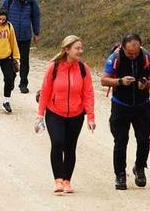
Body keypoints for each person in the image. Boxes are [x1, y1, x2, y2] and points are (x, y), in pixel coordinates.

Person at [35, 35, 96, 194]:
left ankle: (67, 181)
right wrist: (40, 115)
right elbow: (45, 91)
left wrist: (91, 116)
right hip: (55, 112)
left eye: (81, 48)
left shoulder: (83, 69)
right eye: (77, 48)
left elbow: (88, 93)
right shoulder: (53, 67)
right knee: (57, 142)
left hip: (76, 114)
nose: (80, 51)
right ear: (67, 49)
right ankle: (58, 180)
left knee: (70, 147)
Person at [100, 33, 150, 190]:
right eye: (129, 53)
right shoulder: (115, 57)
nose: (133, 56)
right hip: (121, 105)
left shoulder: (147, 56)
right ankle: (120, 174)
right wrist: (120, 81)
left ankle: (139, 168)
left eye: (136, 52)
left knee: (144, 140)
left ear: (140, 46)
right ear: (123, 47)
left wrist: (147, 84)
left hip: (142, 105)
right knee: (120, 141)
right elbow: (104, 80)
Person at [0, 0, 41, 93]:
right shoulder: (9, 0)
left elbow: (36, 18)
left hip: (25, 36)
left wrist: (36, 33)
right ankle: (10, 81)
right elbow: (0, 16)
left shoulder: (32, 2)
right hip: (10, 37)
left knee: (24, 61)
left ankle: (23, 84)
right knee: (9, 60)